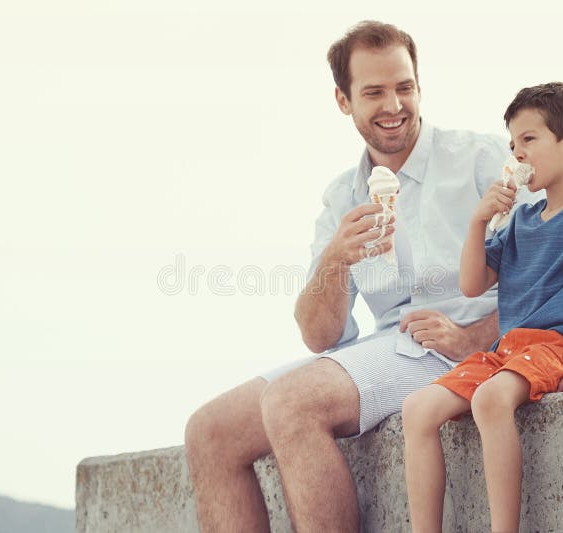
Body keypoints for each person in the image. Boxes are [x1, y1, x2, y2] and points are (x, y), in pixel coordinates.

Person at [183, 21, 538, 532]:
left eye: (405, 87)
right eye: (374, 92)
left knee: (291, 402)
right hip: (387, 346)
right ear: (343, 100)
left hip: (460, 349)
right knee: (208, 432)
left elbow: (557, 264)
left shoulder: (483, 159)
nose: (394, 105)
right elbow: (319, 336)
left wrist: (474, 337)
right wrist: (335, 259)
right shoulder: (341, 198)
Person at [401, 81, 563, 533]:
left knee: (490, 399)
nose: (517, 153)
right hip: (510, 352)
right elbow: (472, 285)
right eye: (513, 144)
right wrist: (477, 220)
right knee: (417, 409)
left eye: (529, 139)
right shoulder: (520, 221)